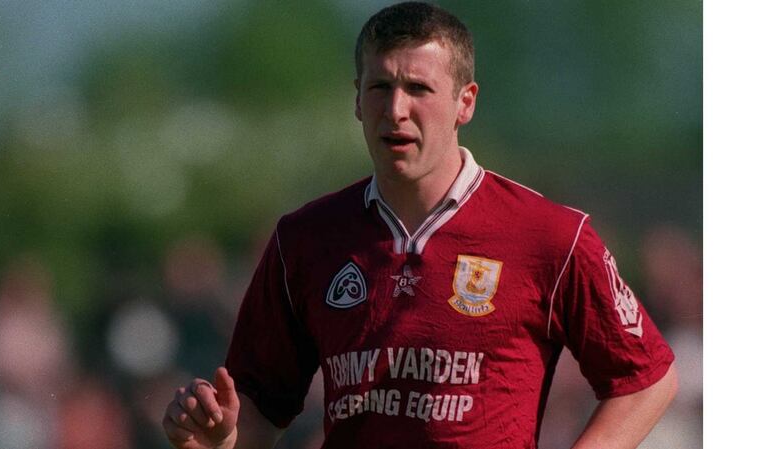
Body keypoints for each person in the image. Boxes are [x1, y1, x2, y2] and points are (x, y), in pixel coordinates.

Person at [162, 2, 678, 448]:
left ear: (464, 102)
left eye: (418, 88)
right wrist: (219, 435)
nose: (396, 109)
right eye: (380, 87)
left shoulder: (550, 235)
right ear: (357, 98)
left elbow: (646, 380)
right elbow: (256, 408)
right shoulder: (303, 239)